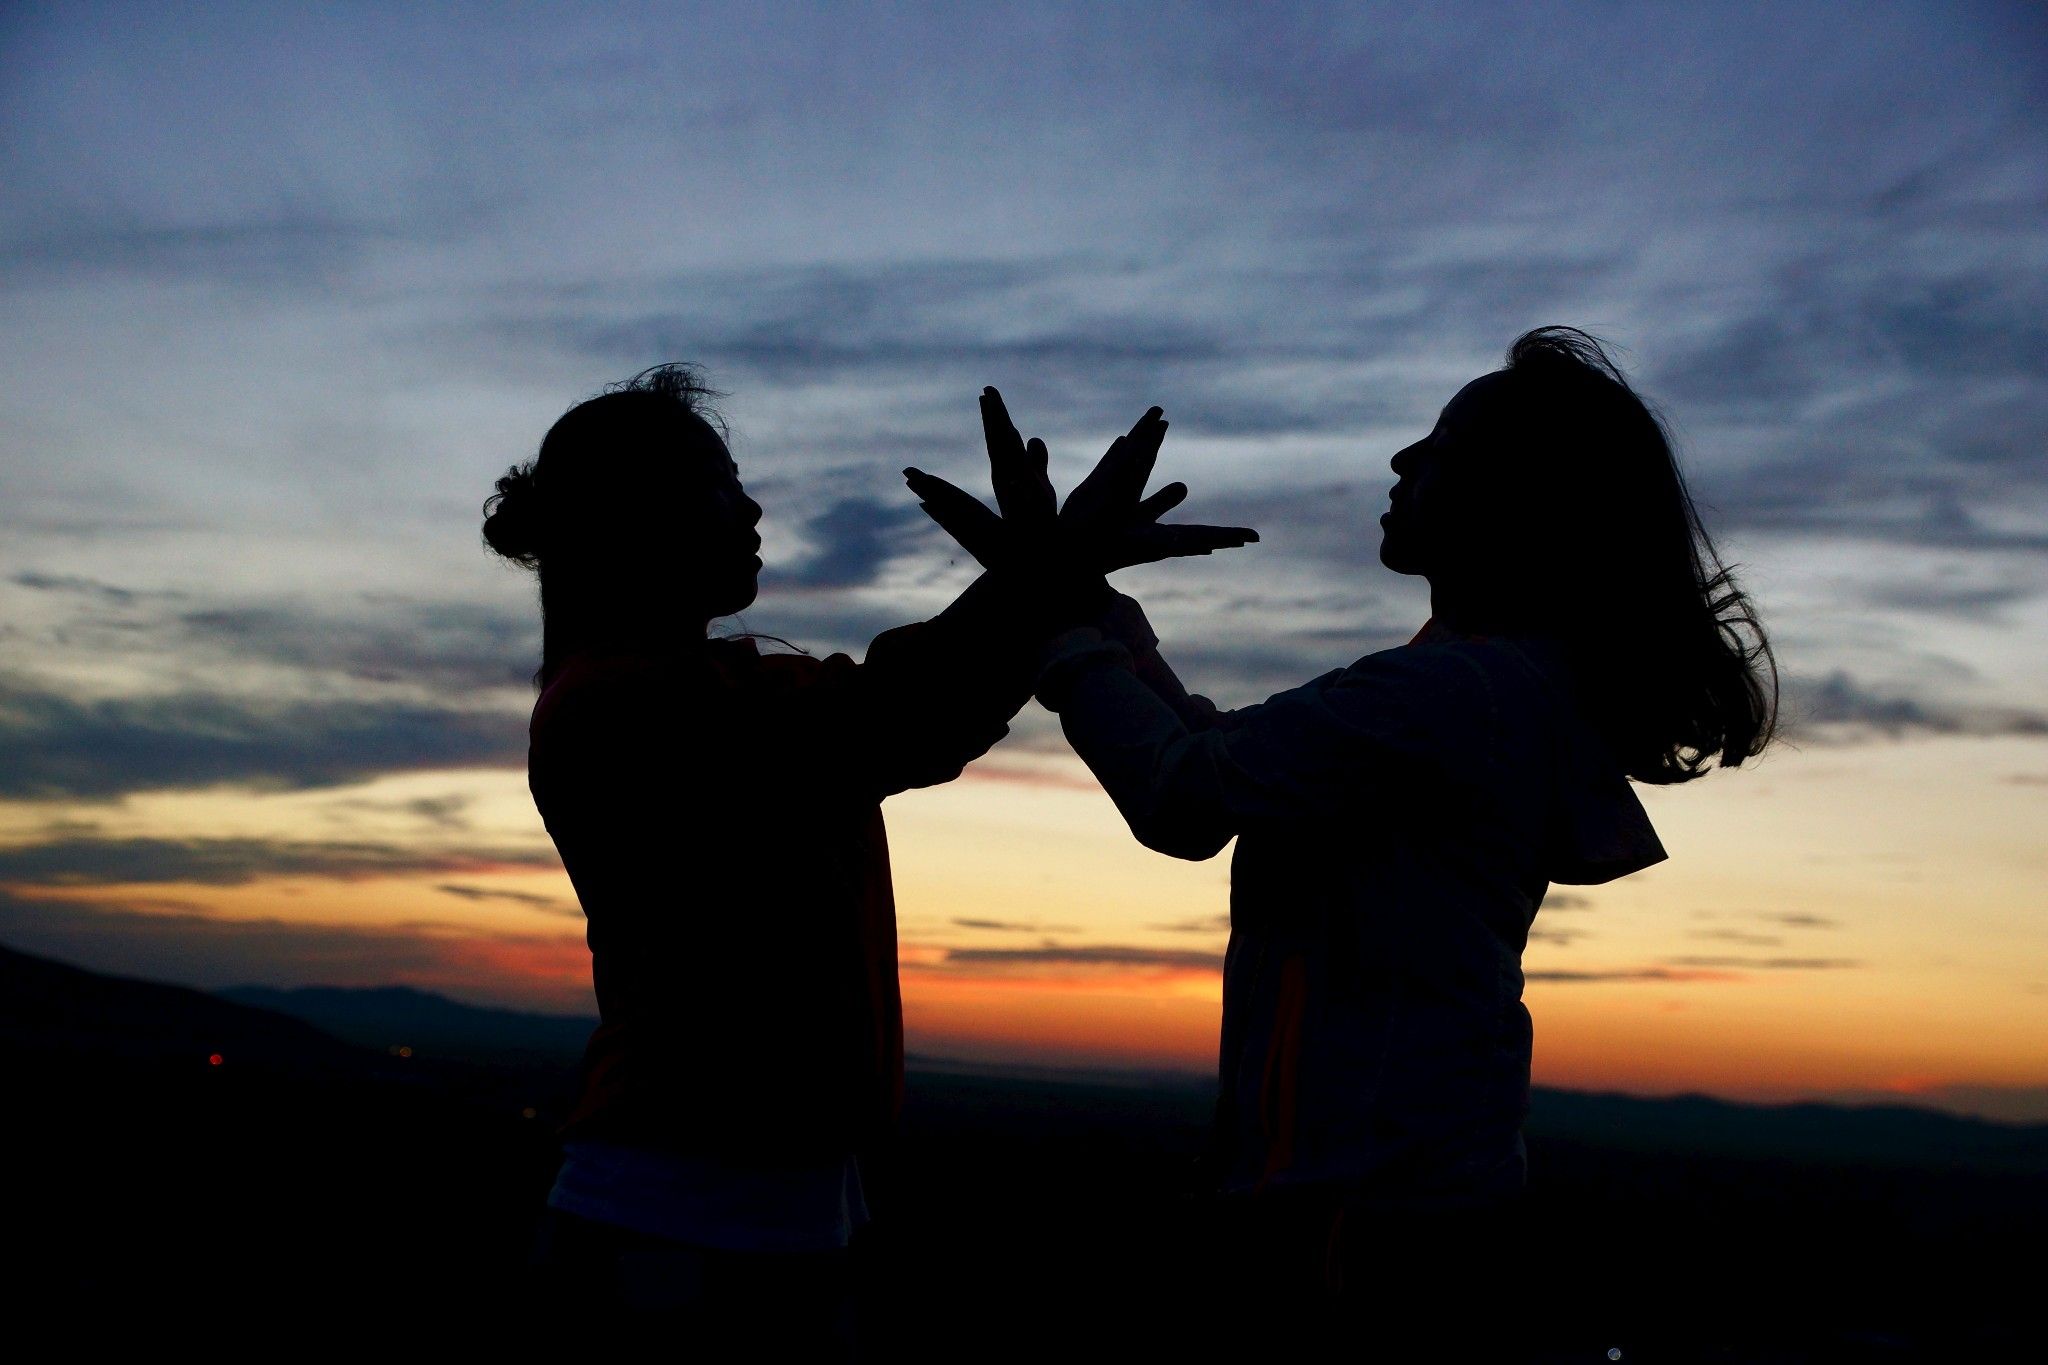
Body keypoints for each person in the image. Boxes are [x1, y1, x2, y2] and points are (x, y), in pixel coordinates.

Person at [912, 328, 1777, 1355]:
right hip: (1393, 1211)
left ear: (1516, 497)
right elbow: (1224, 758)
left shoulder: (1455, 692)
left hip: (1365, 1232)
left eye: (1439, 446)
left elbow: (1183, 797)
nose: (1403, 462)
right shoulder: (1481, 685)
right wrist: (1085, 602)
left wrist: (1056, 617)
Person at [481, 365, 1251, 1351]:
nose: (753, 506)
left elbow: (921, 713)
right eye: (721, 483)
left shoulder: (730, 686)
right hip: (668, 1230)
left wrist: (1049, 582)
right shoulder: (612, 705)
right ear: (639, 517)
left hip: (788, 1227)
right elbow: (899, 711)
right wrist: (1040, 575)